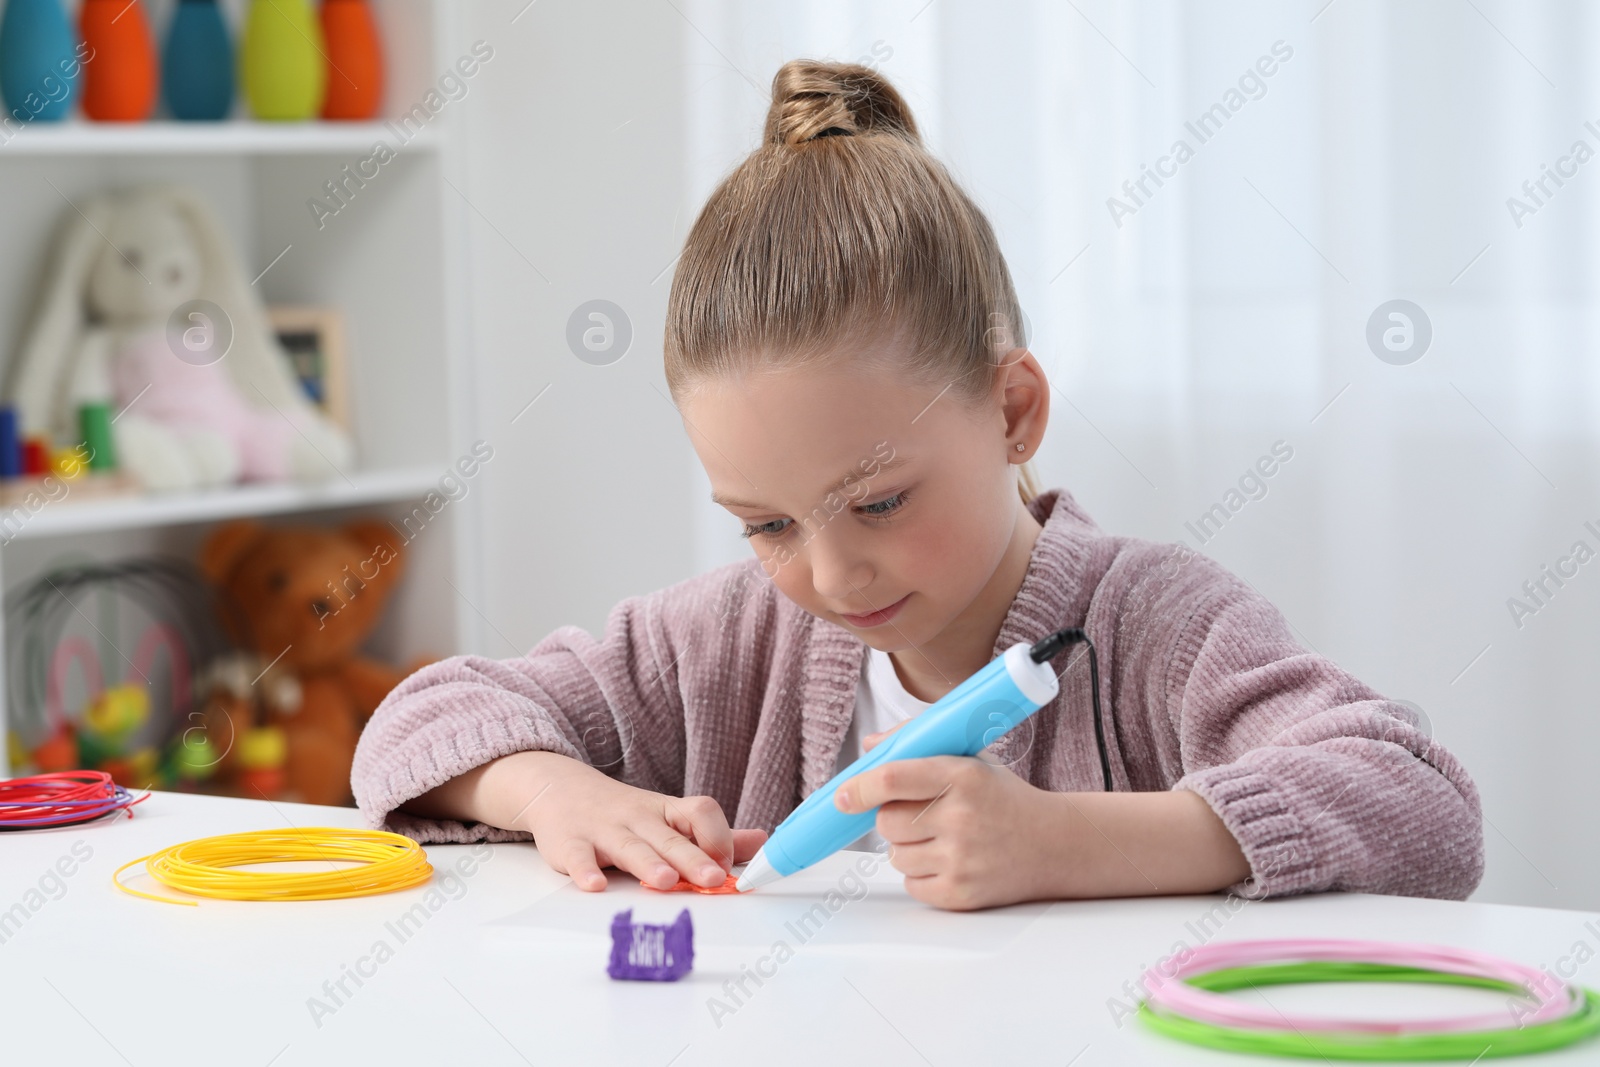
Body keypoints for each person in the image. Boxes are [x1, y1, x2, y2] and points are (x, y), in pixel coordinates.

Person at [352, 59, 1482, 911]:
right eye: (765, 522)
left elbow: (1424, 805)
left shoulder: (1160, 627)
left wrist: (1072, 843)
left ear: (1011, 410)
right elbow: (416, 720)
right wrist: (553, 789)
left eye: (880, 499)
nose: (832, 573)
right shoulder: (729, 642)